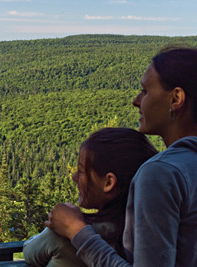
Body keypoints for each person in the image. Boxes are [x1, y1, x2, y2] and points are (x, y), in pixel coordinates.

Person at [45, 47, 197, 266]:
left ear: (176, 99)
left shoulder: (162, 173)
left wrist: (76, 230)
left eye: (145, 91)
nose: (136, 101)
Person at [24, 127, 157, 267]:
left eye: (81, 171)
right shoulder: (153, 236)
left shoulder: (66, 233)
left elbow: (29, 251)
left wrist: (70, 227)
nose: (74, 177)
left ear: (108, 183)